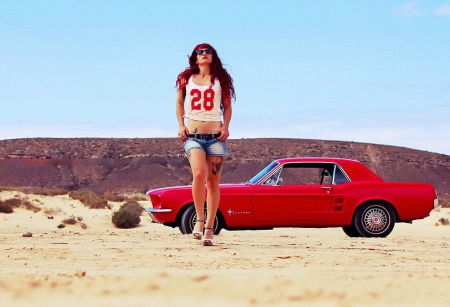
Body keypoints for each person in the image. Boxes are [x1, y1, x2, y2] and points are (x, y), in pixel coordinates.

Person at [175, 43, 235, 246]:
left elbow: (227, 106)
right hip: (193, 136)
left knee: (213, 182)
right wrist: (181, 125)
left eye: (207, 51)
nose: (204, 54)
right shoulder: (186, 79)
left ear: (213, 56)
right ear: (194, 57)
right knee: (199, 174)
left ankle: (210, 227)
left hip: (216, 138)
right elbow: (179, 103)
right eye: (199, 52)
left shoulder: (220, 80)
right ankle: (199, 220)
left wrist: (226, 127)